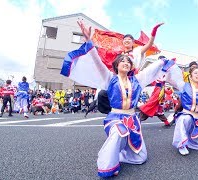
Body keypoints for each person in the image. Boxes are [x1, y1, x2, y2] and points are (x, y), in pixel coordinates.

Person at [60, 24, 176, 177]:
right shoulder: (109, 79)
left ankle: (120, 155)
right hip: (116, 118)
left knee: (141, 158)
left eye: (128, 61)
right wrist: (89, 42)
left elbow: (150, 71)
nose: (126, 62)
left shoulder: (137, 80)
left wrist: (163, 62)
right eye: (122, 61)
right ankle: (108, 165)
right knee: (118, 132)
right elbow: (97, 62)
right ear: (116, 65)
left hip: (132, 118)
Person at [75, 20, 163, 116]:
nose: (127, 40)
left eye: (129, 39)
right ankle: (112, 112)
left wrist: (153, 32)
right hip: (118, 79)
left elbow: (149, 44)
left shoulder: (137, 51)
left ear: (133, 42)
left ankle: (131, 117)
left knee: (129, 105)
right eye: (125, 39)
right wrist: (89, 42)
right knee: (102, 94)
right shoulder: (119, 54)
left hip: (132, 80)